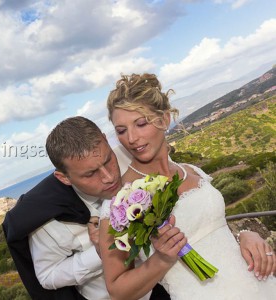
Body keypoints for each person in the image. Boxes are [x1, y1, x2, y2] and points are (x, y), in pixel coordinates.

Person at [2, 116, 272, 299]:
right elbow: (47, 277)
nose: (108, 177)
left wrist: (241, 235)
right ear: (64, 178)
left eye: (108, 161)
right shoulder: (48, 222)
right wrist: (102, 253)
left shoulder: (134, 164)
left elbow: (196, 215)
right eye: (89, 175)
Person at [100, 73, 276, 299]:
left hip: (262, 285)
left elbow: (213, 229)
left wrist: (246, 235)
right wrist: (162, 258)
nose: (131, 138)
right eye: (121, 130)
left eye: (141, 123)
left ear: (164, 119)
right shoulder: (121, 204)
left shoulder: (191, 171)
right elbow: (118, 290)